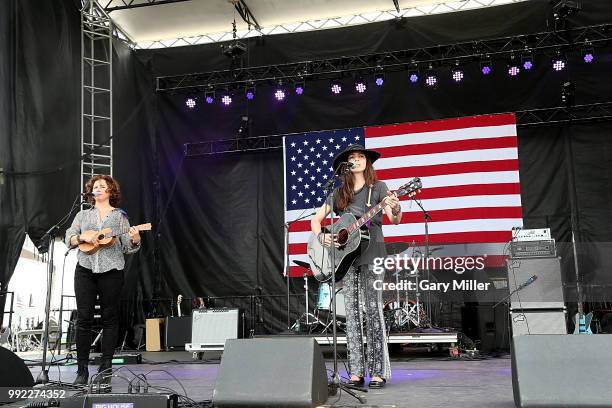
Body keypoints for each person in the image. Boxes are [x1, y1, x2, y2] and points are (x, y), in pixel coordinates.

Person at [310, 144, 402, 389]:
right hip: (346, 258)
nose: (357, 160)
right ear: (346, 165)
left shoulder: (379, 188)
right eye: (352, 158)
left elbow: (394, 219)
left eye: (361, 157)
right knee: (350, 313)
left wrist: (395, 207)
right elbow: (316, 220)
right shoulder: (339, 193)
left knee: (373, 310)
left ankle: (378, 372)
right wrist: (322, 237)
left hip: (372, 254)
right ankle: (356, 373)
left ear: (367, 162)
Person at [65, 175, 141, 385]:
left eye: (102, 186)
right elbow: (68, 238)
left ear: (110, 192)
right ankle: (81, 370)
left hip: (112, 270)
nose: (97, 189)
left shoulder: (120, 216)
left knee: (110, 318)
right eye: (95, 186)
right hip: (85, 270)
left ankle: (106, 367)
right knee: (83, 318)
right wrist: (82, 237)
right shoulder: (82, 215)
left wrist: (135, 239)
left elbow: (127, 246)